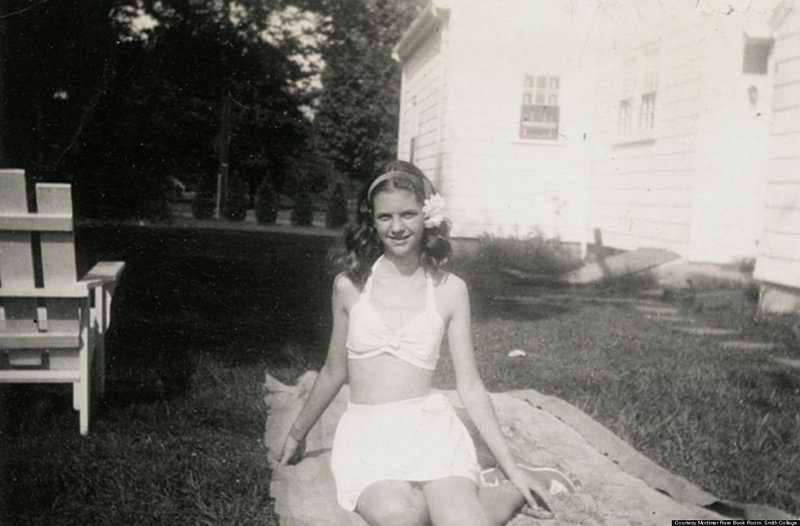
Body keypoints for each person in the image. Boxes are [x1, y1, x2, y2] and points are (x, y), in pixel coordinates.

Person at [279, 161, 571, 525]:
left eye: (408, 214)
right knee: (400, 516)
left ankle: (510, 486)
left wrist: (512, 465)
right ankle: (481, 490)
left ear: (427, 216)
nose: (397, 227)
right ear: (372, 221)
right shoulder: (349, 286)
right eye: (385, 217)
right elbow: (334, 370)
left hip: (429, 429)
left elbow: (470, 386)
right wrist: (296, 434)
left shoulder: (450, 290)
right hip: (368, 437)